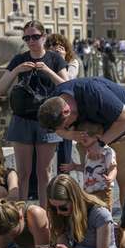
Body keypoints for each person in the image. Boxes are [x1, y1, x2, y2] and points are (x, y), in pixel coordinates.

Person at [38, 76, 125, 207]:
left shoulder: (94, 92)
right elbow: (58, 130)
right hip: (90, 131)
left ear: (66, 111)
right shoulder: (53, 103)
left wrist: (100, 144)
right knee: (92, 181)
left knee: (124, 180)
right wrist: (68, 134)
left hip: (123, 125)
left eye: (65, 125)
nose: (65, 128)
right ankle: (98, 222)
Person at [0, 20, 68, 208]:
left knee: (44, 172)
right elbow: (0, 89)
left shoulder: (55, 59)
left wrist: (48, 71)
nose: (31, 41)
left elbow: (67, 86)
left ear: (44, 37)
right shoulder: (19, 59)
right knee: (23, 172)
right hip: (22, 119)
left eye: (35, 36)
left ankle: (46, 215)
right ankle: (20, 215)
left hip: (48, 119)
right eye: (27, 38)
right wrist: (17, 71)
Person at [60, 122, 117, 209]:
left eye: (85, 140)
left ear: (97, 137)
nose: (83, 143)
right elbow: (87, 168)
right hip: (88, 190)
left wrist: (110, 177)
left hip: (102, 190)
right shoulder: (88, 152)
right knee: (90, 212)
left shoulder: (107, 151)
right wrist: (75, 166)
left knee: (104, 212)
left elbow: (113, 168)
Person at [46, 33, 80, 171]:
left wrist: (61, 60)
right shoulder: (45, 63)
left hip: (65, 110)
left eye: (60, 46)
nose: (56, 48)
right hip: (49, 109)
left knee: (64, 149)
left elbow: (68, 80)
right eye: (53, 46)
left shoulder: (72, 62)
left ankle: (63, 182)